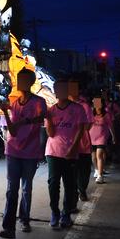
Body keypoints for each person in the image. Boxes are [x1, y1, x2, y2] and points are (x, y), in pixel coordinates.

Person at [0, 68, 47, 236]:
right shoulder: (14, 103)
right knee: (12, 189)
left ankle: (24, 219)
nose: (21, 83)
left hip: (30, 152)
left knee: (26, 188)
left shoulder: (39, 101)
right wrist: (5, 112)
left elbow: (42, 116)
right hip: (13, 150)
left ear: (31, 82)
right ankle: (8, 226)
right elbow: (12, 131)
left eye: (25, 79)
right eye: (19, 79)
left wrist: (25, 121)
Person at [44, 78, 87, 229]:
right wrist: (49, 119)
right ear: (55, 91)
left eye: (63, 89)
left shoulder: (77, 109)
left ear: (67, 91)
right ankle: (55, 212)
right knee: (53, 183)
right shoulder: (51, 110)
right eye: (58, 89)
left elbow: (81, 130)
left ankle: (66, 214)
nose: (60, 92)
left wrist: (73, 148)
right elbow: (50, 134)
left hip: (70, 153)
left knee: (69, 184)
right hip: (53, 152)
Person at [69, 82, 94, 207]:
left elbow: (88, 125)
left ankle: (82, 189)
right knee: (72, 172)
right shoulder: (62, 105)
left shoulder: (85, 106)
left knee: (84, 170)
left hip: (83, 144)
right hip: (68, 145)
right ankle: (73, 198)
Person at [90, 98, 116, 184]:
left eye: (99, 103)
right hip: (91, 138)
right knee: (93, 157)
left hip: (101, 138)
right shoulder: (91, 113)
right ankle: (97, 170)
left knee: (99, 155)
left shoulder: (106, 114)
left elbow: (111, 126)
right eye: (95, 103)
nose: (97, 105)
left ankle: (100, 176)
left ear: (102, 104)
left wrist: (113, 136)